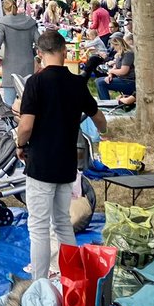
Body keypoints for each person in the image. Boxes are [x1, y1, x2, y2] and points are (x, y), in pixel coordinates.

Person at [16, 30, 107, 279]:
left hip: (41, 164)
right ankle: (72, 277)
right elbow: (99, 119)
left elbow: (25, 126)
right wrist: (102, 130)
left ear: (39, 54)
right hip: (66, 164)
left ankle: (39, 283)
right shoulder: (77, 83)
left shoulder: (35, 82)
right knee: (62, 224)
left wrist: (19, 144)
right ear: (65, 52)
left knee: (38, 227)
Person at [0, 0, 39, 106]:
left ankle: (11, 123)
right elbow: (40, 42)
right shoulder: (30, 22)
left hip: (10, 65)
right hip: (28, 65)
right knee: (28, 103)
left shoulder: (3, 24)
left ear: (4, 9)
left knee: (9, 104)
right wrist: (35, 55)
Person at [97, 33, 136, 102]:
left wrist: (111, 71)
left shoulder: (128, 54)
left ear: (118, 45)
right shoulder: (120, 54)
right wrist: (110, 75)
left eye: (114, 47)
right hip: (122, 79)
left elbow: (124, 71)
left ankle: (106, 103)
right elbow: (116, 65)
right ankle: (105, 102)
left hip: (129, 81)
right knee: (99, 81)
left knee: (100, 83)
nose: (114, 49)